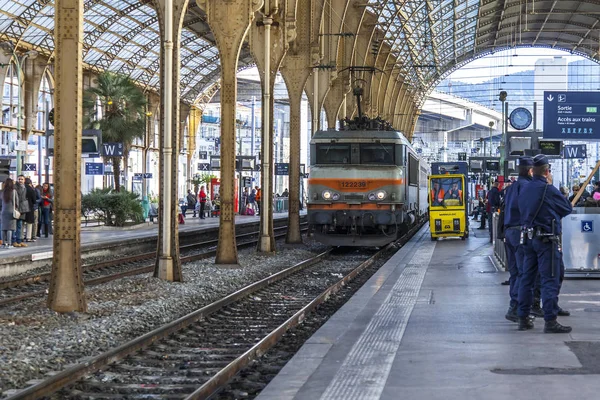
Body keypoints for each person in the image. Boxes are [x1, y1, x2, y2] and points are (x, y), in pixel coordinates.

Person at [517, 154, 572, 333]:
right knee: (549, 278)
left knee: (527, 279)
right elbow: (567, 208)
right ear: (547, 171)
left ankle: (523, 318)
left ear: (532, 170)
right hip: (546, 240)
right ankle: (550, 321)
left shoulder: (524, 188)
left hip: (527, 239)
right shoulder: (548, 189)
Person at [502, 157, 535, 323]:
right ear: (530, 170)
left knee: (515, 272)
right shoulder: (528, 187)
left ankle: (513, 306)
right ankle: (517, 308)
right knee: (525, 273)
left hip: (509, 233)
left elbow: (503, 210)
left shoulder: (511, 187)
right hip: (521, 233)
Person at [13, 175, 29, 247]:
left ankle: (19, 241)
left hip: (22, 209)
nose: (20, 180)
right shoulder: (15, 187)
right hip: (16, 208)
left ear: (24, 180)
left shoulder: (25, 187)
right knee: (14, 226)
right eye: (19, 179)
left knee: (20, 225)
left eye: (22, 179)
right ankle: (14, 241)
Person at [1, 178, 17, 248]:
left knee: (3, 228)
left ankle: (4, 243)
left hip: (3, 211)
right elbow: (16, 202)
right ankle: (9, 243)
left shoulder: (2, 192)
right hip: (11, 211)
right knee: (9, 228)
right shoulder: (13, 191)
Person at [24, 178, 37, 243]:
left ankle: (21, 237)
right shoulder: (31, 190)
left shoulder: (21, 188)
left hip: (22, 208)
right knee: (29, 223)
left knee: (22, 223)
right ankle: (28, 237)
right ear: (30, 183)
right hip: (30, 207)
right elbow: (34, 200)